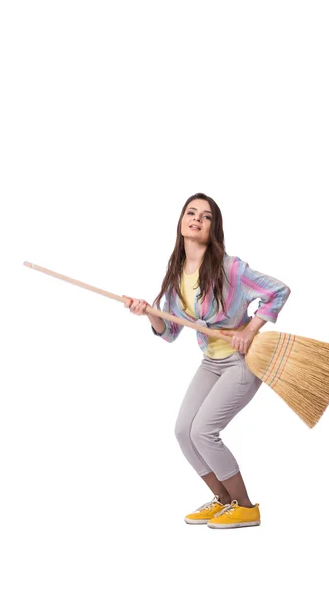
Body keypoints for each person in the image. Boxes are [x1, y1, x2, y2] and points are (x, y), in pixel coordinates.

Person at [123, 193, 291, 529]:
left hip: (242, 362)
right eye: (191, 212)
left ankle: (246, 507)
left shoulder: (231, 269)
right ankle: (224, 500)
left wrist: (250, 329)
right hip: (211, 363)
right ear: (181, 222)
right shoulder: (175, 277)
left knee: (204, 431)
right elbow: (169, 333)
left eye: (206, 216)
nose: (197, 219)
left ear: (213, 228)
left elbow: (278, 291)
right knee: (183, 431)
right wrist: (148, 314)